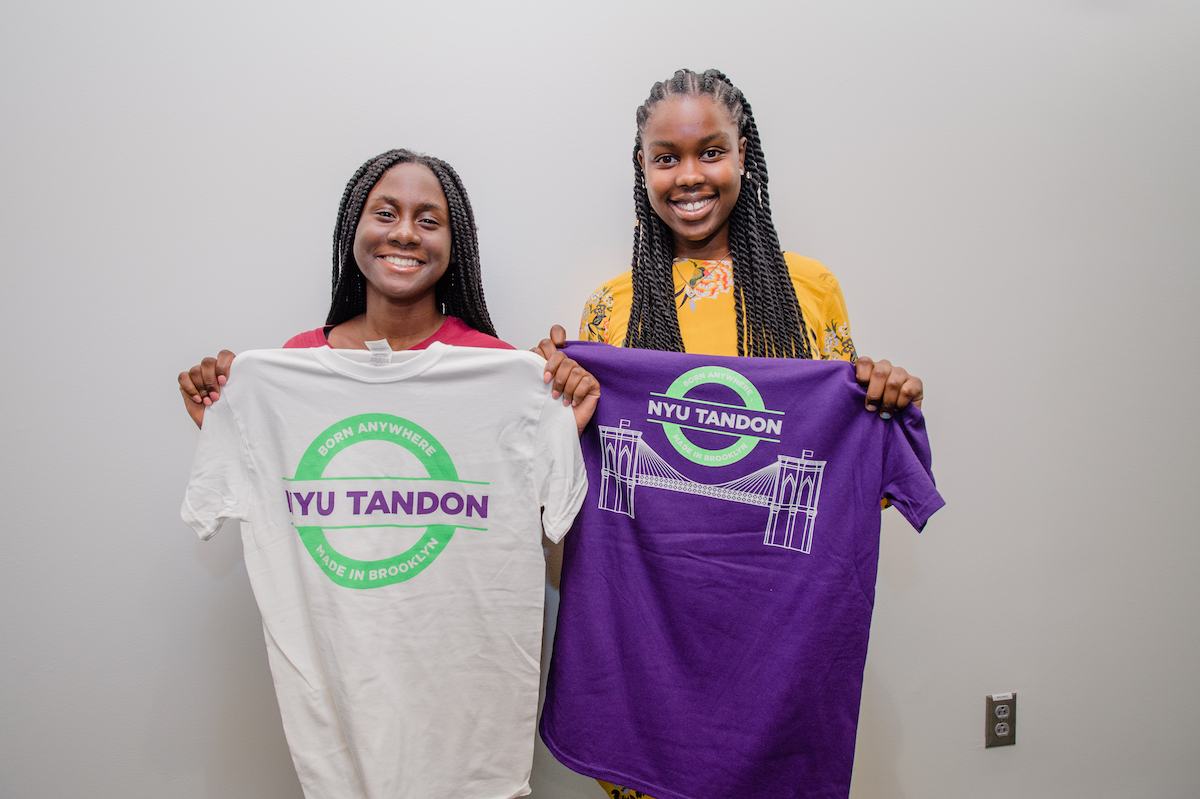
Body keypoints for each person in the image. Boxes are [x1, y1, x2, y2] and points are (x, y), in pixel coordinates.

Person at [539, 69, 925, 799]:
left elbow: (837, 478)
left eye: (710, 150)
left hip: (772, 652)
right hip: (644, 656)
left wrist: (881, 405)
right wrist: (550, 402)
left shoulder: (810, 293)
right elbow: (576, 492)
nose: (690, 175)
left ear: (744, 155)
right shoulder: (609, 311)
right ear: (643, 170)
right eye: (666, 157)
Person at [179, 148, 599, 432]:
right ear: (351, 229)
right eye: (384, 213)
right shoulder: (298, 360)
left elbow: (529, 512)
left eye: (429, 221)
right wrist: (224, 426)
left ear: (456, 247)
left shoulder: (498, 366)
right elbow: (281, 494)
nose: (404, 233)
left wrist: (563, 426)